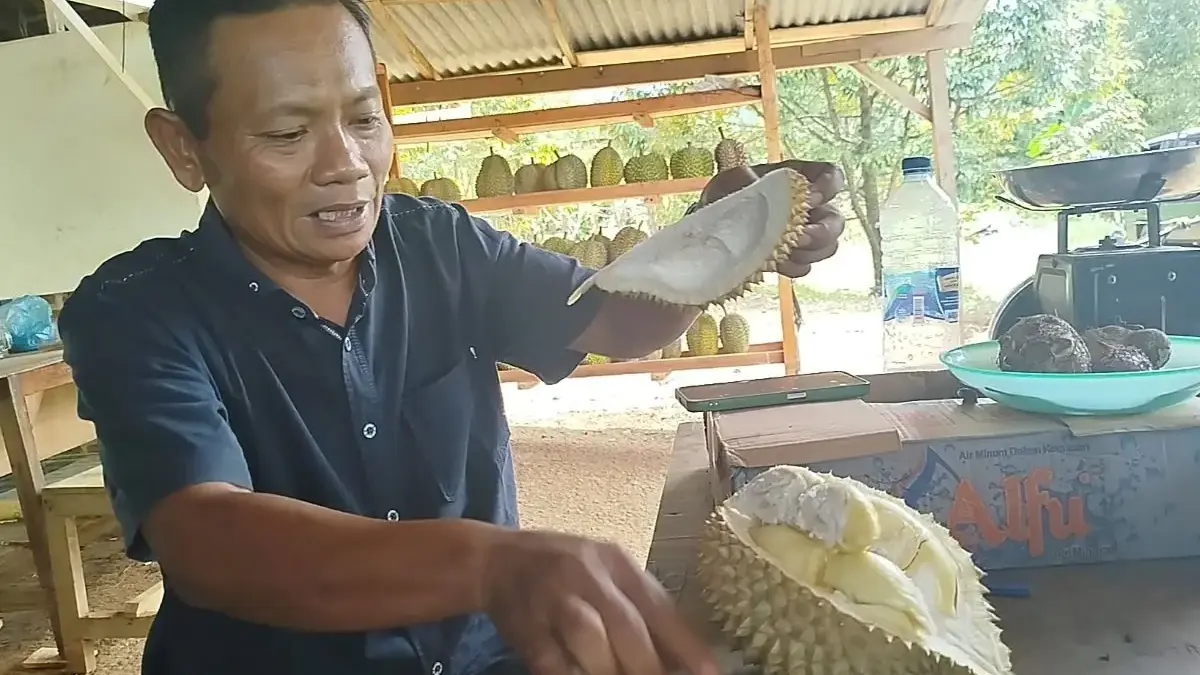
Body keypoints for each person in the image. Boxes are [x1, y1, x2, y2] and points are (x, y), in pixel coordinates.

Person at [56, 1, 846, 674]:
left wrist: (721, 240)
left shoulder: (442, 245)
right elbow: (206, 535)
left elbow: (621, 319)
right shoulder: (136, 310)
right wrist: (491, 563)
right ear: (183, 147)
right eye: (287, 133)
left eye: (363, 118)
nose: (346, 164)